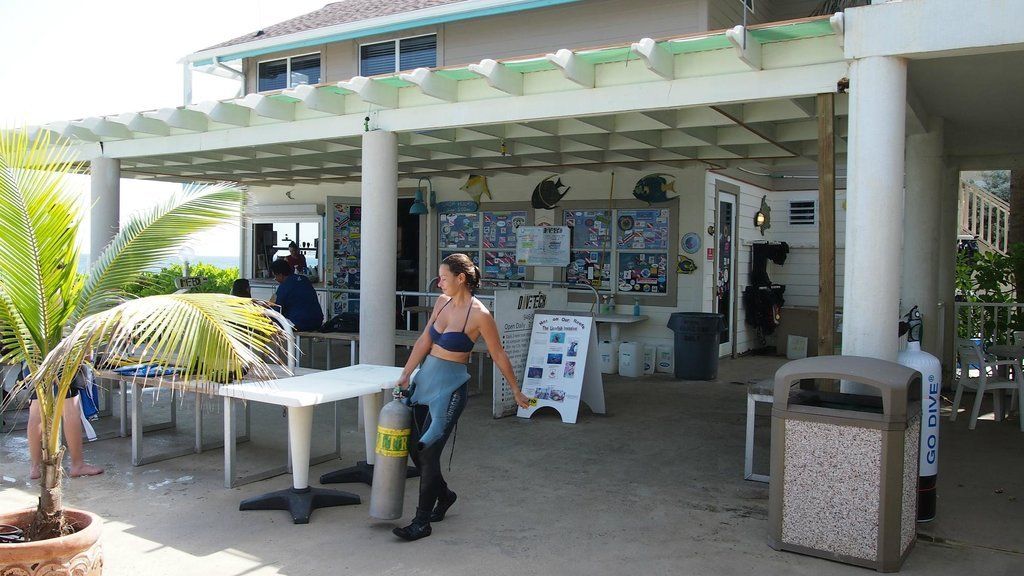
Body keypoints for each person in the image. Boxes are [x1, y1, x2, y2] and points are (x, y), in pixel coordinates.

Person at [392, 253, 530, 541]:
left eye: (443, 277)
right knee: (414, 450)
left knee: (428, 450)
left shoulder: (480, 315)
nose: (439, 282)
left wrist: (515, 389)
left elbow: (498, 353)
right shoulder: (441, 303)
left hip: (451, 387)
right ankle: (445, 495)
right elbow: (424, 340)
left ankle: (421, 522)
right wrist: (406, 372)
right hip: (426, 379)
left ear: (461, 278)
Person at [27, 368, 103, 479]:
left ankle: (35, 467)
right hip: (63, 360)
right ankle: (77, 465)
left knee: (36, 410)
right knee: (70, 409)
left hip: (33, 358)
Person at [270, 258, 323, 331]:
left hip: (299, 323)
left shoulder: (284, 286)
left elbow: (277, 309)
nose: (275, 279)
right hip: (317, 321)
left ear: (280, 275)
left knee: (271, 322)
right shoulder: (304, 279)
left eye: (275, 276)